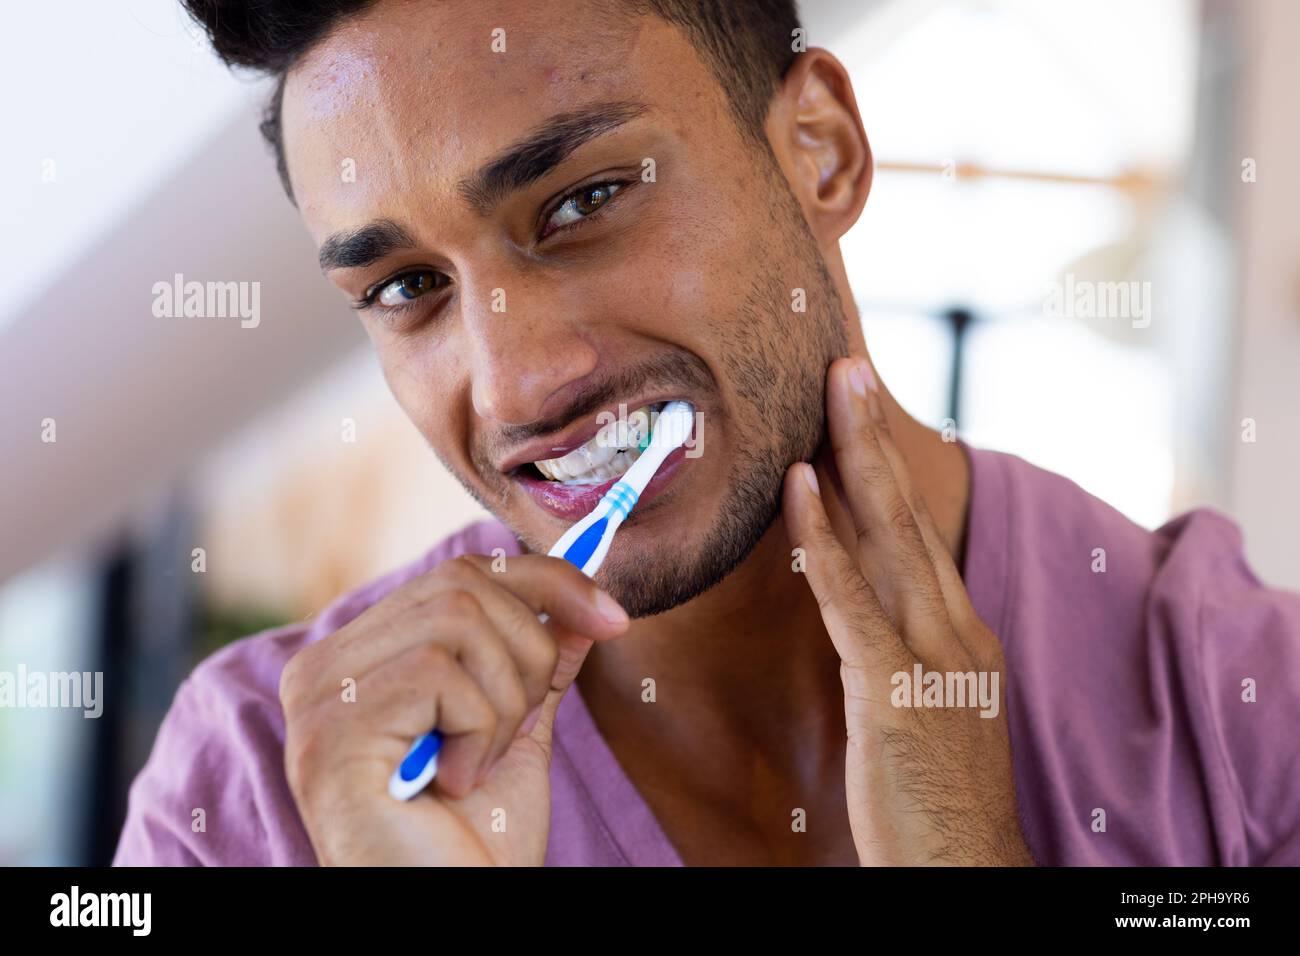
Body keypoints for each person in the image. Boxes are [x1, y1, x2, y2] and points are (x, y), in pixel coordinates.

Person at [114, 0, 1300, 866]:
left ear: (820, 151)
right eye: (405, 287)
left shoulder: (1243, 713)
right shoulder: (253, 796)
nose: (518, 381)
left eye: (582, 200)